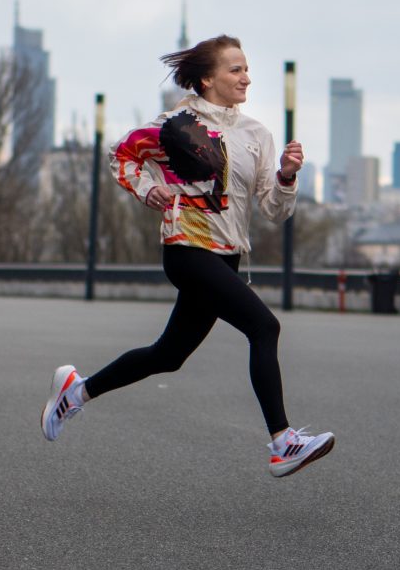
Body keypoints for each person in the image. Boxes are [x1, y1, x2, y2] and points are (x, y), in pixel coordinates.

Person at [41, 34, 334, 478]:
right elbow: (122, 155)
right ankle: (282, 442)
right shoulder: (176, 124)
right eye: (235, 69)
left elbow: (274, 209)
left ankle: (75, 393)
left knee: (169, 355)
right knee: (264, 326)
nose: (246, 77)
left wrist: (287, 176)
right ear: (207, 78)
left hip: (227, 256)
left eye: (247, 68)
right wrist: (148, 188)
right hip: (187, 249)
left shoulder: (256, 134)